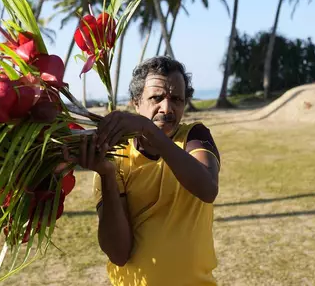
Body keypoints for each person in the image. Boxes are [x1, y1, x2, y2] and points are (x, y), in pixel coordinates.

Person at [64, 56, 221, 286]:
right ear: (136, 103)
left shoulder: (194, 137)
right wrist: (107, 175)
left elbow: (207, 189)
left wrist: (148, 129)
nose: (167, 108)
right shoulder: (116, 158)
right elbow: (119, 253)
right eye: (156, 98)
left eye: (176, 99)